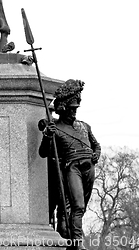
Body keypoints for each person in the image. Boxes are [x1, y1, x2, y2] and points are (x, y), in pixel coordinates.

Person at [38, 80, 101, 248]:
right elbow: (43, 153)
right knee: (77, 206)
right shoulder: (55, 127)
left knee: (81, 209)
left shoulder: (84, 126)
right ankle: (77, 243)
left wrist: (96, 154)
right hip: (71, 168)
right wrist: (47, 136)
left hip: (89, 168)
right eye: (71, 108)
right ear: (63, 108)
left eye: (76, 109)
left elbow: (96, 145)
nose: (74, 112)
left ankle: (75, 241)